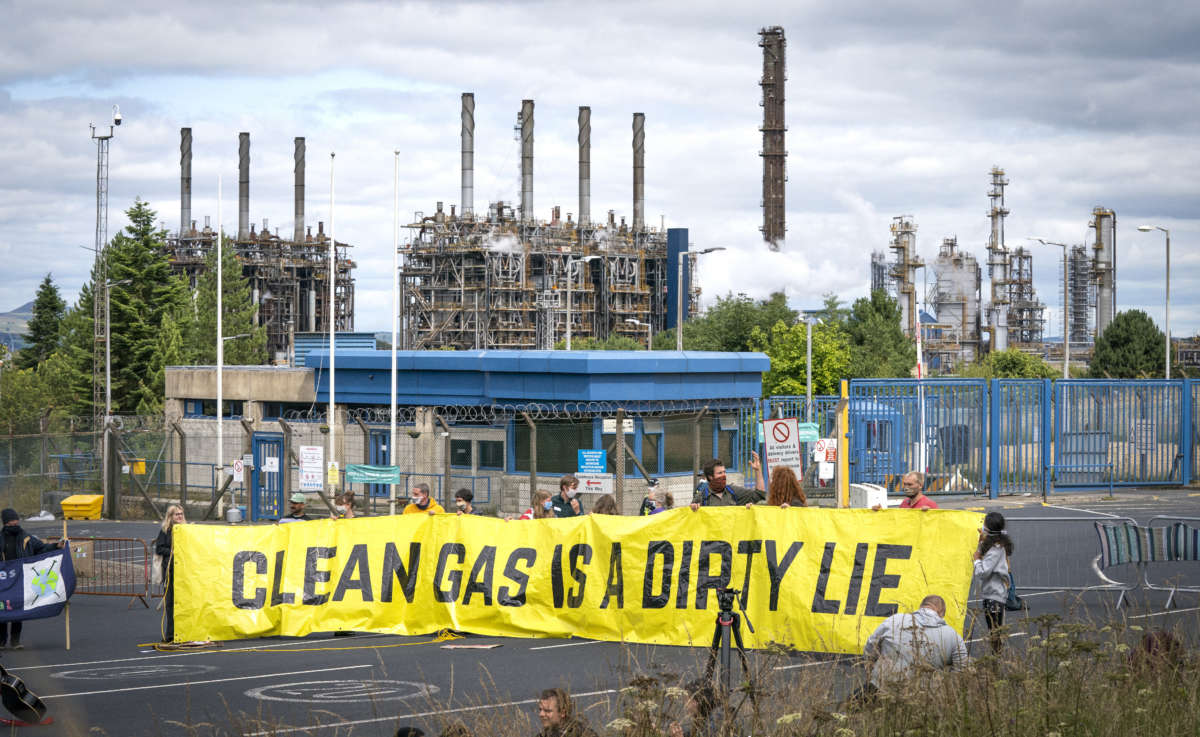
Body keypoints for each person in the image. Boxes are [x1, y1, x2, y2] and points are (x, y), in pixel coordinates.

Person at [860, 594, 967, 698]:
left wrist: (872, 669)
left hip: (883, 688)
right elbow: (961, 672)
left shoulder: (894, 620)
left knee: (849, 708)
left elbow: (870, 647)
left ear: (921, 607)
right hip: (924, 698)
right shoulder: (953, 636)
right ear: (942, 613)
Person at [1, 508, 67, 649]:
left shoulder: (26, 537)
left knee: (17, 611)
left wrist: (56, 546)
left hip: (20, 581)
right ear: (6, 522)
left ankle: (15, 641)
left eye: (16, 520)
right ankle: (1, 641)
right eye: (12, 521)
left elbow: (41, 548)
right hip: (4, 581)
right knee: (2, 610)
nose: (15, 523)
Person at [973, 511, 1013, 654]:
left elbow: (983, 572)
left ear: (989, 529)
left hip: (994, 596)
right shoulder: (995, 544)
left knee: (995, 633)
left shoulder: (996, 549)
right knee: (993, 631)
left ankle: (995, 660)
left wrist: (976, 560)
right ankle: (995, 657)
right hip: (991, 593)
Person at [153, 504, 185, 643]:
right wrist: (172, 552)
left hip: (184, 572)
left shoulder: (187, 530)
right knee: (171, 603)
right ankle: (171, 634)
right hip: (170, 571)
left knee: (184, 603)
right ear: (170, 517)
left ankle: (184, 632)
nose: (180, 516)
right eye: (177, 514)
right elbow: (159, 548)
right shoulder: (165, 531)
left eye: (181, 513)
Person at [689, 452, 764, 511]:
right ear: (710, 477)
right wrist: (693, 509)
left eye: (724, 472)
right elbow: (691, 519)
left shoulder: (733, 491)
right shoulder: (702, 496)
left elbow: (759, 494)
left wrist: (758, 470)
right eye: (720, 473)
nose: (724, 475)